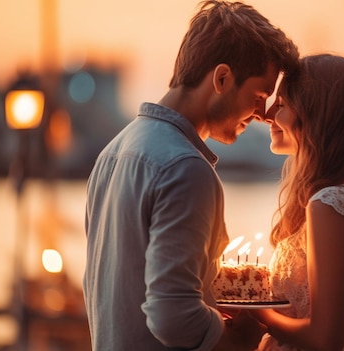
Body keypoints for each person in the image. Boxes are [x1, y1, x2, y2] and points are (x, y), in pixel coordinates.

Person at [83, 1, 299, 350]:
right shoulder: (185, 168)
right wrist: (236, 341)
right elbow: (173, 314)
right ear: (222, 78)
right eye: (259, 95)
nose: (262, 114)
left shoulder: (113, 152)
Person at [251, 54, 344, 350]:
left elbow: (327, 338)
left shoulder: (329, 204)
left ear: (314, 112)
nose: (268, 116)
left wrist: (257, 313)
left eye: (281, 105)